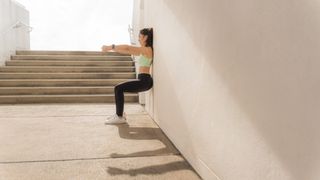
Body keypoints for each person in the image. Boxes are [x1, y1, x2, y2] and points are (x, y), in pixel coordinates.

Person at [101, 28, 153, 124]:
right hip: (142, 80)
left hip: (144, 81)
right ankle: (119, 114)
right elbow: (127, 51)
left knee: (118, 88)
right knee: (119, 88)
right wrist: (113, 50)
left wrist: (110, 47)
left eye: (139, 36)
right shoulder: (143, 51)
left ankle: (119, 116)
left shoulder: (147, 50)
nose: (138, 39)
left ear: (145, 37)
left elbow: (128, 48)